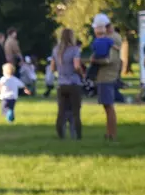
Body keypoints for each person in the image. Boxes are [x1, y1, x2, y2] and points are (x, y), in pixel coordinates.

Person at [90, 13, 122, 141]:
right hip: (105, 76)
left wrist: (93, 60)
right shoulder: (109, 38)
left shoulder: (112, 39)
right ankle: (109, 132)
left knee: (109, 106)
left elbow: (108, 60)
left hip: (107, 76)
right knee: (106, 106)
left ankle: (112, 134)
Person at [50, 28, 84, 140]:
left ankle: (61, 134)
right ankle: (77, 135)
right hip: (74, 83)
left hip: (61, 83)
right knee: (76, 111)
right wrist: (82, 75)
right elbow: (77, 66)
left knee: (61, 111)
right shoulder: (75, 50)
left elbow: (52, 67)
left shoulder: (56, 50)